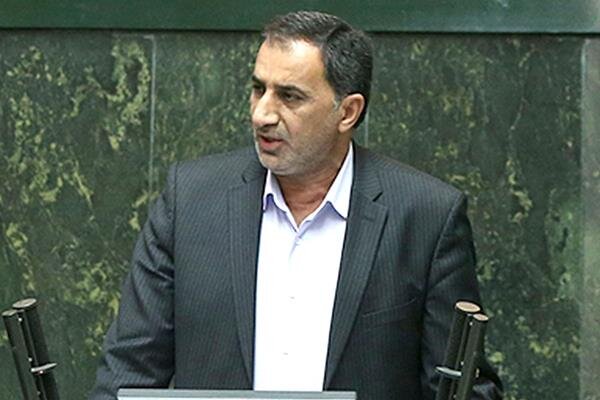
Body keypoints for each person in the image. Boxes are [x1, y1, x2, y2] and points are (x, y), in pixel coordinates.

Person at [90, 11, 502, 400]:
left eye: (289, 96)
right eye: (258, 89)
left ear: (348, 111)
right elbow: (129, 373)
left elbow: (461, 387)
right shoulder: (191, 201)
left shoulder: (425, 217)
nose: (262, 114)